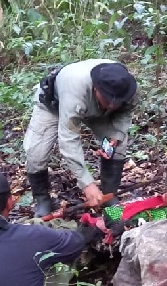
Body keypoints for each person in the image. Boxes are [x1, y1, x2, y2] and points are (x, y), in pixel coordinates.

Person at [24, 59, 139, 217]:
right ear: (96, 88)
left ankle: (109, 198)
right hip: (54, 104)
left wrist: (116, 135)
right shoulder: (75, 90)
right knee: (36, 153)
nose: (112, 105)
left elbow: (126, 112)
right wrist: (87, 184)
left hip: (97, 111)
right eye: (107, 99)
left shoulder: (125, 88)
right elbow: (69, 138)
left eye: (116, 102)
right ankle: (42, 199)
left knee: (118, 145)